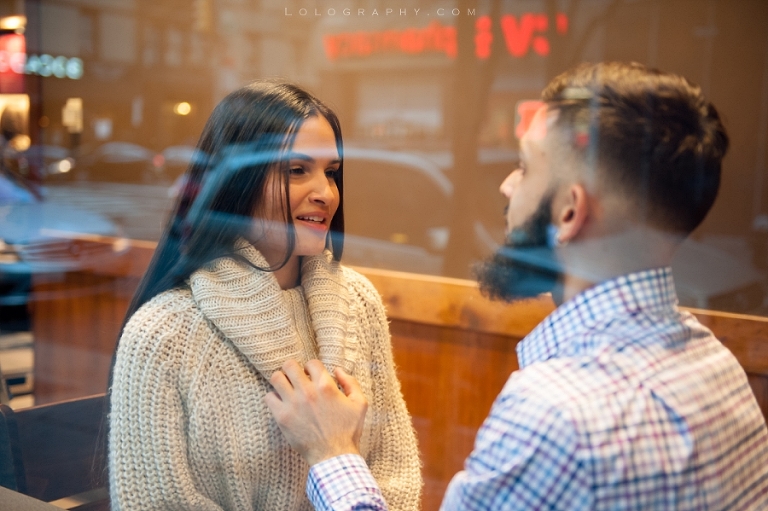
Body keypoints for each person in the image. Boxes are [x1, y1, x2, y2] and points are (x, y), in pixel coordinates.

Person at [265, 62, 768, 510]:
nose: (507, 186)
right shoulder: (717, 366)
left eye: (525, 167)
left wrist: (331, 452)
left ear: (569, 212)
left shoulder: (555, 415)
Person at [107, 81, 422, 510]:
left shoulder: (359, 302)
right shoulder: (162, 334)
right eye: (297, 170)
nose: (326, 193)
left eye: (331, 172)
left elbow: (396, 476)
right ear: (238, 182)